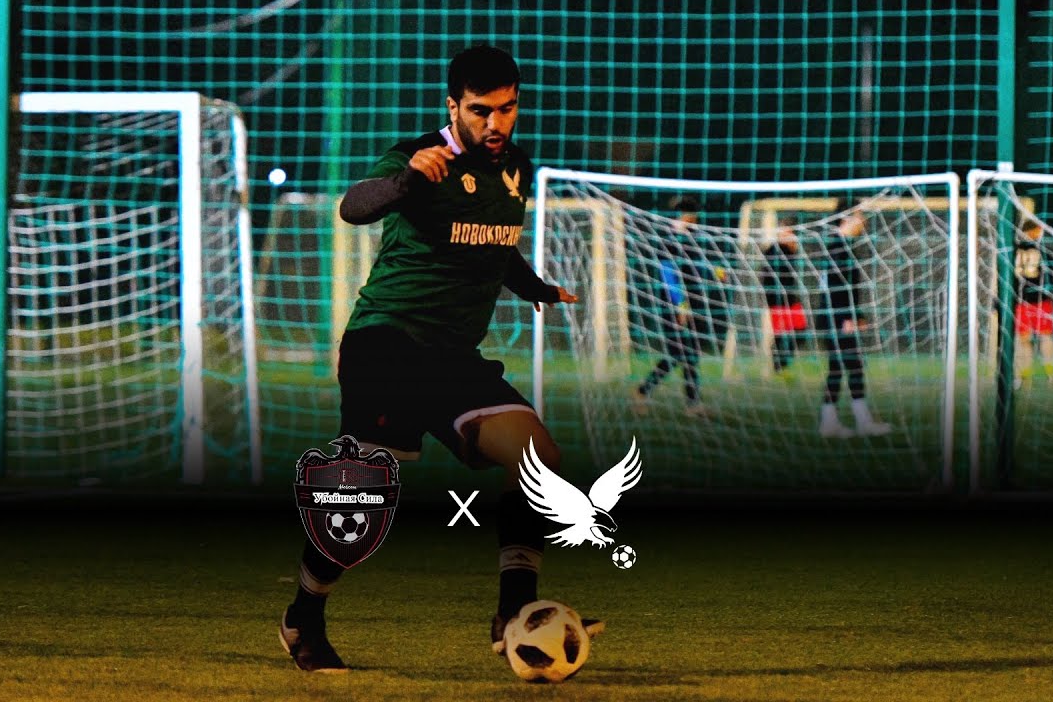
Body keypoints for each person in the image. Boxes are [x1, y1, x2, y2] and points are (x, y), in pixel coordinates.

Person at [279, 45, 594, 674]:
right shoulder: (421, 157)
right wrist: (406, 181)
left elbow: (494, 245)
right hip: (386, 345)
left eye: (507, 108)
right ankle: (303, 615)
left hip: (451, 357)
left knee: (539, 457)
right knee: (360, 508)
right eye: (480, 111)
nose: (496, 123)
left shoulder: (516, 168)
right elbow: (354, 207)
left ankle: (514, 612)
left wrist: (532, 286)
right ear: (453, 107)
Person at [632, 198, 723, 417]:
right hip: (674, 304)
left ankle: (691, 403)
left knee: (690, 353)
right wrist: (680, 304)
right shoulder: (669, 239)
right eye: (691, 216)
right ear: (683, 216)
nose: (694, 220)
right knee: (678, 353)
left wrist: (714, 270)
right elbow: (668, 274)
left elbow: (696, 266)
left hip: (692, 302)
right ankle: (644, 391)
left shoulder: (693, 237)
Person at [815, 205, 891, 438]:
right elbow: (835, 290)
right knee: (851, 367)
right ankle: (858, 422)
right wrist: (847, 318)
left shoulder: (840, 247)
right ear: (846, 219)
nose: (863, 221)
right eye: (859, 216)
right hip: (837, 320)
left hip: (835, 318)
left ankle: (831, 422)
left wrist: (856, 316)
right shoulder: (839, 250)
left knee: (840, 368)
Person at [1013, 221, 1053, 389]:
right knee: (1045, 337)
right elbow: (1051, 275)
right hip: (1040, 300)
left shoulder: (1013, 248)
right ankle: (1050, 375)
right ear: (1034, 231)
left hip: (1021, 300)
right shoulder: (1043, 250)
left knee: (1023, 340)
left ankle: (1023, 376)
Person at [761, 221, 806, 380]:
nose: (789, 236)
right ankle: (778, 366)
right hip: (777, 301)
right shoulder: (772, 251)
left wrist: (793, 249)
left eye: (790, 232)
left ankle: (783, 361)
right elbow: (767, 278)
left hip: (791, 299)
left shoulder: (791, 250)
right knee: (781, 334)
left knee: (801, 331)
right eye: (785, 232)